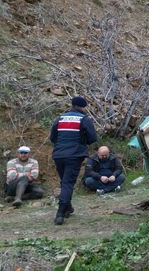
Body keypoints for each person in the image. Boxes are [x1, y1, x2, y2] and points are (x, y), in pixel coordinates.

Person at [49, 96, 97, 225]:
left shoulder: (60, 118)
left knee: (65, 182)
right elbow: (93, 138)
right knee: (68, 183)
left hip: (58, 155)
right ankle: (60, 213)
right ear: (82, 107)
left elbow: (52, 137)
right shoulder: (84, 119)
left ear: (72, 105)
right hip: (74, 155)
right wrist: (82, 142)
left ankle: (67, 208)